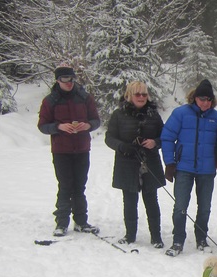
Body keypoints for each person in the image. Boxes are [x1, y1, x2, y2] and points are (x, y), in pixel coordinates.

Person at [161, 79, 217, 257]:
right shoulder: (181, 113)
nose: (205, 102)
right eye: (201, 98)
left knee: (204, 207)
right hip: (184, 168)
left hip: (207, 170)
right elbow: (167, 138)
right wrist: (170, 162)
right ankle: (178, 240)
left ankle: (201, 238)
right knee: (180, 206)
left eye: (208, 99)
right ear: (194, 98)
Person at [38, 64, 101, 237]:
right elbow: (42, 126)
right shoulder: (50, 100)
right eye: (65, 80)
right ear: (58, 81)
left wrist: (87, 125)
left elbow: (96, 120)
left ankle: (81, 222)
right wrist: (59, 127)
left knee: (80, 186)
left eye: (71, 79)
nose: (69, 83)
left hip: (82, 149)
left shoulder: (84, 97)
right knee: (65, 186)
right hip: (61, 151)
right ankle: (61, 223)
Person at [105, 81, 165, 248]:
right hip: (127, 162)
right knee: (129, 201)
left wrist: (155, 142)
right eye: (137, 94)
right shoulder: (118, 114)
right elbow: (109, 138)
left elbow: (164, 136)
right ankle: (130, 235)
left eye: (144, 94)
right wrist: (122, 146)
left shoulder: (154, 115)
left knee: (151, 200)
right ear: (129, 95)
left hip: (150, 162)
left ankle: (156, 237)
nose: (141, 97)